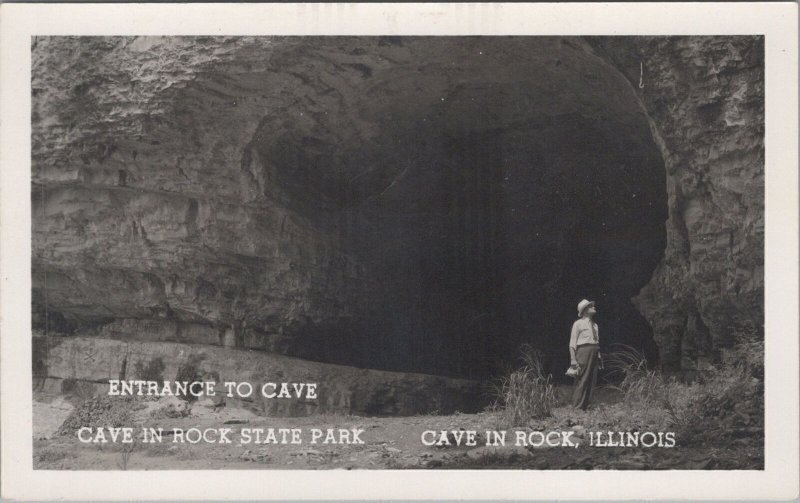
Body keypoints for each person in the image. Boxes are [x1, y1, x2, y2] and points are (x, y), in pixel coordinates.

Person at [569, 299, 602, 410]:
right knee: (582, 378)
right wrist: (573, 359)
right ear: (585, 310)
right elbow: (572, 343)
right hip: (583, 351)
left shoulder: (595, 325)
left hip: (594, 351)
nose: (594, 307)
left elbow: (596, 340)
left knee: (592, 379)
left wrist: (599, 355)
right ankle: (577, 407)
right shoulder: (578, 324)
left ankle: (585, 406)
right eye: (590, 306)